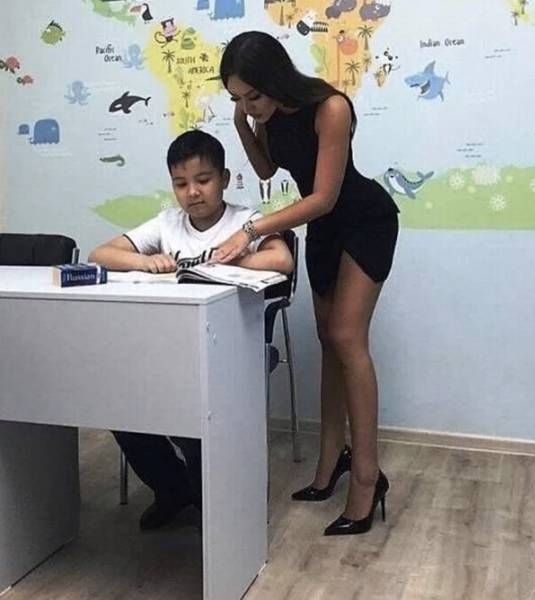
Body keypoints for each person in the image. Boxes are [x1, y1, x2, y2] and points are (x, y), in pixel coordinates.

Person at [215, 31, 399, 536]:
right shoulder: (268, 116)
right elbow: (268, 167)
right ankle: (329, 464)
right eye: (237, 98)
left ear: (275, 78)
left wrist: (251, 228)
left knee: (346, 337)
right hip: (324, 230)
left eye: (252, 96)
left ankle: (366, 478)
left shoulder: (330, 107)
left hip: (364, 220)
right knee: (327, 341)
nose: (249, 106)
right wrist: (241, 123)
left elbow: (322, 196)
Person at [89, 129, 293, 529]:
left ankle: (217, 495)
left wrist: (220, 264)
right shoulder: (168, 223)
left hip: (232, 346)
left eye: (203, 180)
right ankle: (174, 489)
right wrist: (144, 262)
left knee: (194, 414)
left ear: (223, 177)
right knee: (121, 409)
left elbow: (281, 259)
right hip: (168, 348)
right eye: (181, 184)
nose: (193, 192)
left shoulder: (245, 221)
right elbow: (101, 254)